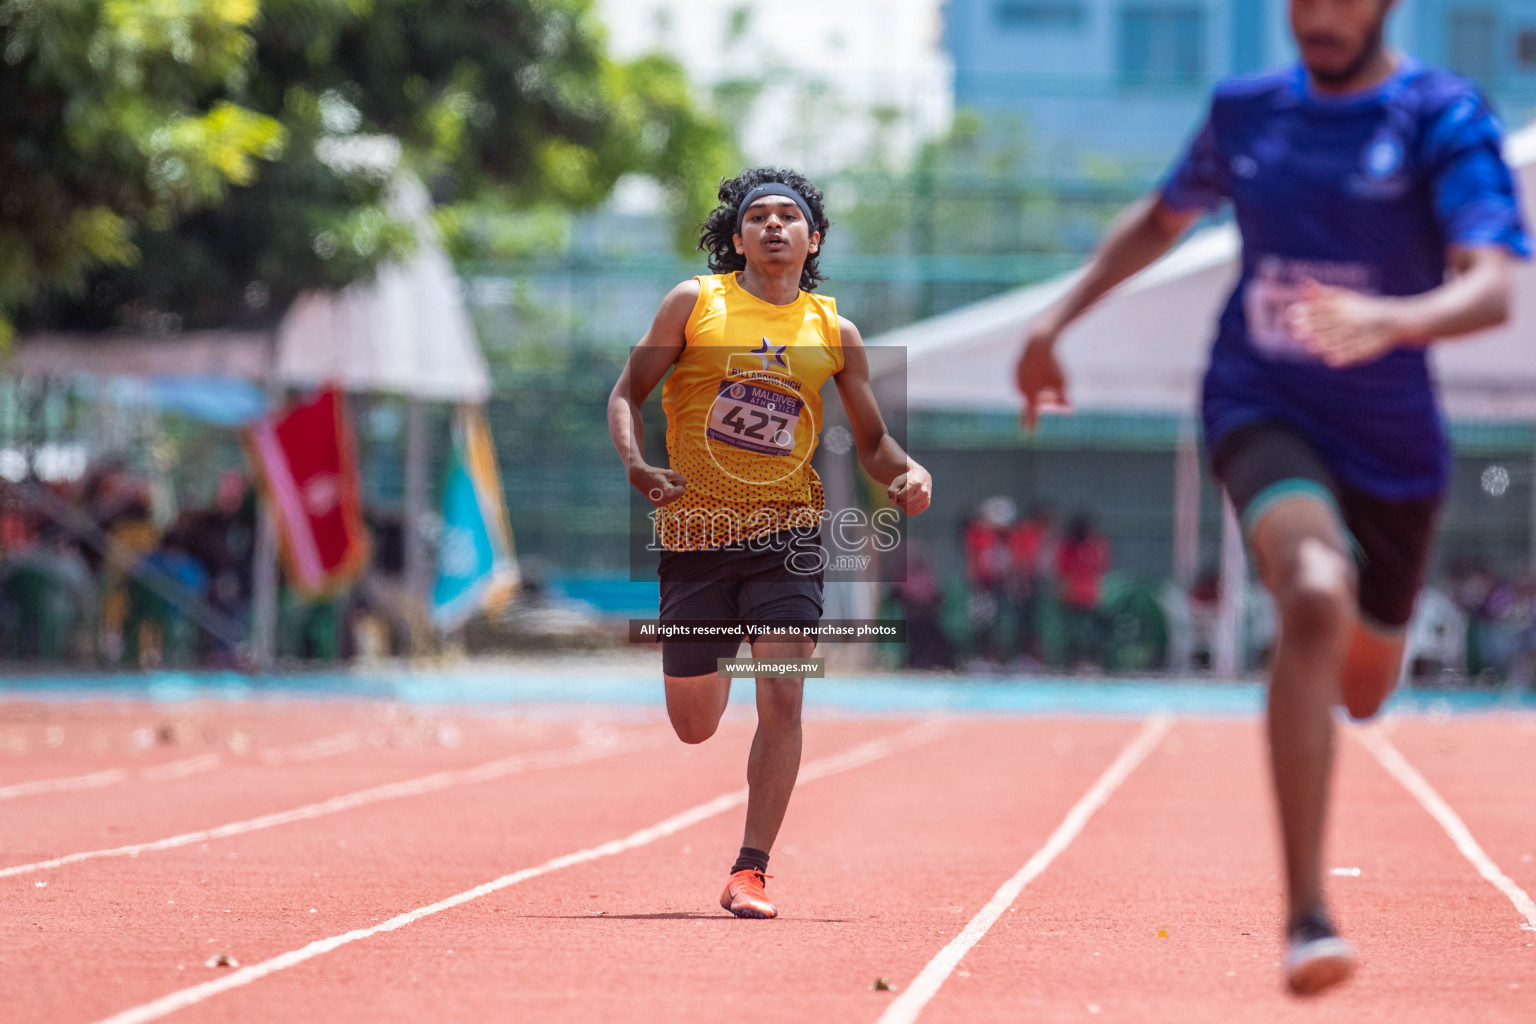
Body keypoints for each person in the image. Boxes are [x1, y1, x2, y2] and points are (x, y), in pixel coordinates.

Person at [1015, 0, 1526, 996]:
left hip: (1393, 449)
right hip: (1261, 399)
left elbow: (1493, 287)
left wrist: (1393, 317)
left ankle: (1342, 652)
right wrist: (1055, 318)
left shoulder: (1441, 116)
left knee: (1366, 684)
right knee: (1312, 591)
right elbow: (1163, 217)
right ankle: (1306, 915)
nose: (1316, 17)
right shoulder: (1247, 112)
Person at [608, 168, 933, 919]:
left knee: (784, 693)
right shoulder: (695, 302)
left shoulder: (833, 330)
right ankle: (721, 652)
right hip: (698, 537)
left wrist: (907, 472)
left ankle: (750, 871)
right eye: (760, 216)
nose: (776, 225)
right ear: (737, 236)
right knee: (694, 726)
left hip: (789, 536)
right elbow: (627, 392)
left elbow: (874, 441)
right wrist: (637, 465)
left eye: (792, 216)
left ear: (813, 239)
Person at [1056, 513, 1108, 668]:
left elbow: (1101, 569)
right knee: (1071, 633)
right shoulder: (1067, 547)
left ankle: (1092, 661)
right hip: (1072, 595)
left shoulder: (1094, 546)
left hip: (1091, 595)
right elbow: (1062, 572)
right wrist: (1063, 593)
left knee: (1093, 632)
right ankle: (1072, 662)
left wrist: (1099, 592)